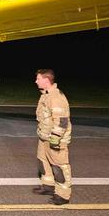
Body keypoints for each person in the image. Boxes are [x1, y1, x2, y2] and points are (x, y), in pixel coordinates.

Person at [32, 69, 72, 205]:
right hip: (44, 137)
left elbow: (62, 121)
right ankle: (48, 186)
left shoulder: (56, 97)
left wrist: (55, 138)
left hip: (55, 139)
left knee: (59, 167)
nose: (35, 81)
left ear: (46, 80)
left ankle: (63, 195)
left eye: (38, 78)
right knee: (43, 162)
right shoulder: (45, 95)